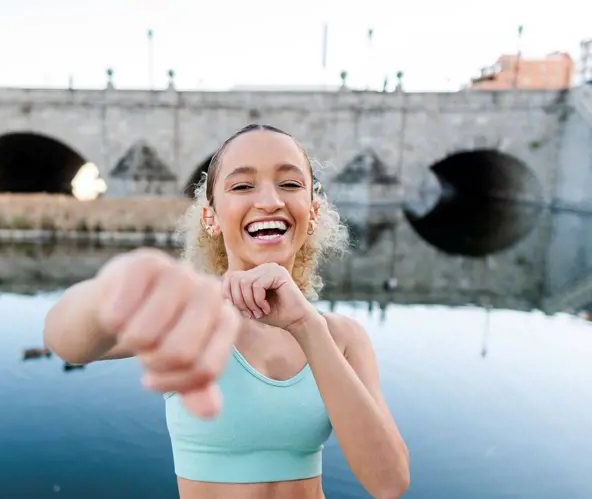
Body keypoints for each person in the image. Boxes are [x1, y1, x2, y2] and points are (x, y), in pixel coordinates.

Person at [43, 124, 410, 499]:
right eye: (242, 186)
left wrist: (306, 326)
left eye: (289, 184)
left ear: (312, 212)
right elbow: (63, 341)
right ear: (211, 218)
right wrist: (108, 292)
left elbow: (389, 482)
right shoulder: (189, 316)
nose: (270, 200)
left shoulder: (342, 338)